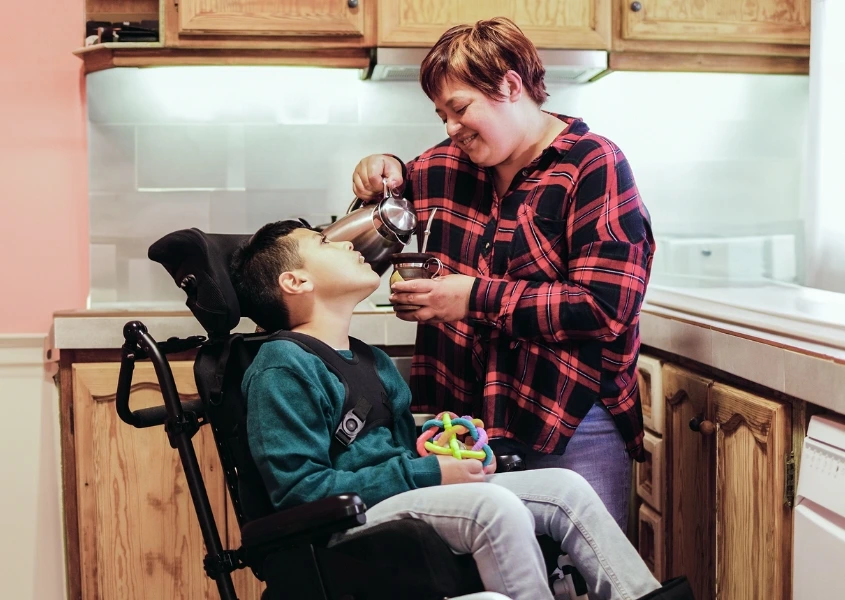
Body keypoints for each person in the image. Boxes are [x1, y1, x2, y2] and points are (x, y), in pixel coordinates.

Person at [229, 220, 691, 600]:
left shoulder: (371, 360)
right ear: (296, 281)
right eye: (324, 242)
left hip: (393, 502)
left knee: (566, 488)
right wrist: (429, 473)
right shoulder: (282, 366)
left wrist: (438, 450)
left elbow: (394, 453)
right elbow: (300, 492)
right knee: (494, 506)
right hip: (343, 524)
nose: (348, 243)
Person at [351, 17, 655, 530]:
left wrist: (472, 298)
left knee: (584, 566)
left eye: (460, 108)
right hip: (463, 430)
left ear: (511, 86)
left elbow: (605, 307)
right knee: (490, 567)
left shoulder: (592, 165)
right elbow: (370, 229)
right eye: (442, 115)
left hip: (571, 420)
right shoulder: (442, 166)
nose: (451, 127)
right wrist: (379, 172)